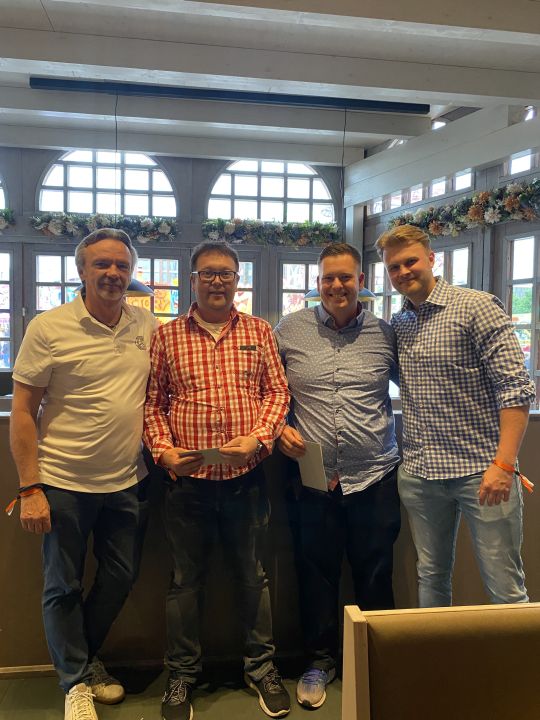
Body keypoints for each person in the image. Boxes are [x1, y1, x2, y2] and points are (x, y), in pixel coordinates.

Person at [9, 228, 156, 720]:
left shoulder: (145, 324)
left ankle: (84, 659)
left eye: (121, 265)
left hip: (128, 482)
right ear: (81, 271)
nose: (113, 273)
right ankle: (75, 681)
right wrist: (30, 487)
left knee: (121, 577)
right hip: (63, 483)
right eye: (102, 264)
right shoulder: (49, 327)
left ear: (131, 272)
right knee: (62, 586)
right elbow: (23, 412)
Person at [143, 241, 291, 720]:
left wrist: (260, 438)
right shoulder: (167, 336)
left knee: (253, 577)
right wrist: (163, 452)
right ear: (192, 280)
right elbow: (153, 404)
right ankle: (182, 675)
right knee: (185, 583)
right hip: (187, 486)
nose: (217, 281)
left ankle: (261, 668)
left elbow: (277, 392)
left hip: (246, 481)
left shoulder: (259, 331)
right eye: (207, 273)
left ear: (237, 280)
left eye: (226, 273)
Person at [376, 223, 536, 608]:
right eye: (394, 267)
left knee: (505, 586)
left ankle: (516, 653)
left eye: (410, 261)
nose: (403, 272)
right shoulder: (400, 323)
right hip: (420, 475)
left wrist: (504, 464)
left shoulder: (477, 306)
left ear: (431, 258)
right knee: (430, 576)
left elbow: (515, 389)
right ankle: (436, 651)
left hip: (482, 472)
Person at [274, 242, 401, 710]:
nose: (336, 286)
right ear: (318, 282)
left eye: (345, 277)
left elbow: (424, 386)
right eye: (328, 277)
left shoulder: (386, 334)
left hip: (375, 476)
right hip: (313, 479)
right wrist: (278, 427)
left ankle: (375, 663)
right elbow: (265, 391)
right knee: (316, 575)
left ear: (361, 282)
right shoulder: (289, 330)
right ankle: (319, 662)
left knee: (376, 574)